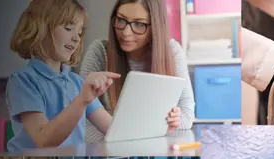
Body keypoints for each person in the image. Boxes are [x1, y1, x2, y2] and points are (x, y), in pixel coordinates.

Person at [5, 0, 120, 153]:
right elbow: (43, 140)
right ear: (41, 28)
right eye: (68, 28)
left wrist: (160, 126)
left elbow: (116, 131)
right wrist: (82, 100)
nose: (77, 38)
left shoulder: (78, 83)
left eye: (79, 33)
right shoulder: (22, 81)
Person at [80, 0, 195, 143]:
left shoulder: (172, 52)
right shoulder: (99, 52)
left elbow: (187, 116)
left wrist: (173, 120)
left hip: (154, 148)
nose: (126, 32)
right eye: (121, 20)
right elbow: (82, 118)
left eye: (139, 24)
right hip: (109, 150)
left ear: (156, 26)